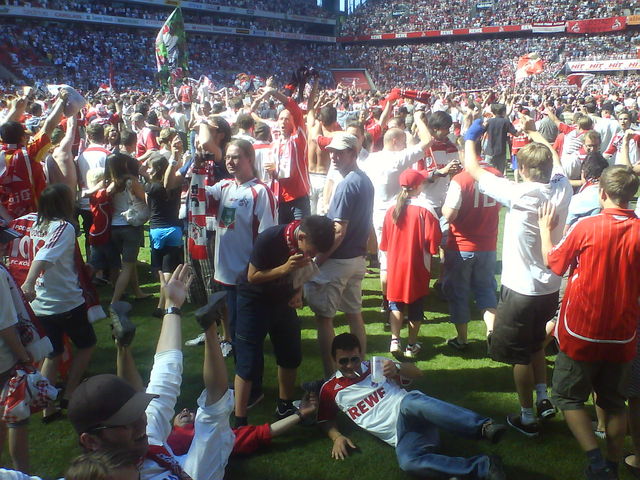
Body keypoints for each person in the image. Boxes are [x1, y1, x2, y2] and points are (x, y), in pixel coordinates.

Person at [68, 264, 235, 480]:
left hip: (146, 455)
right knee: (213, 415)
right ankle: (208, 327)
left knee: (164, 388)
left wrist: (172, 306)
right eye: (127, 421)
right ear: (90, 441)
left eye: (137, 412)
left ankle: (127, 343)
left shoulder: (136, 440)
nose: (141, 423)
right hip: (180, 467)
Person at [464, 118, 572, 437]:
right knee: (536, 342)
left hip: (521, 289)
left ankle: (526, 417)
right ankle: (543, 398)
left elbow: (473, 168)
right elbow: (558, 160)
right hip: (549, 286)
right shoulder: (562, 188)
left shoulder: (520, 193)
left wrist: (472, 136)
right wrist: (539, 135)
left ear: (523, 170)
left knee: (519, 355)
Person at [539, 165, 640, 480]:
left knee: (567, 396)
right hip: (622, 332)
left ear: (602, 193)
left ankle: (596, 461)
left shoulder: (586, 227)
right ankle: (611, 462)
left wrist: (545, 229)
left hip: (581, 329)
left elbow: (554, 263)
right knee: (614, 400)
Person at [317, 333, 507, 480]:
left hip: (411, 410)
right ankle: (485, 466)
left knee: (410, 402)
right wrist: (337, 436)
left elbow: (418, 373)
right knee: (408, 462)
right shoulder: (330, 389)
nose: (350, 366)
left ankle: (483, 427)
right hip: (402, 437)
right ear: (334, 359)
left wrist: (397, 368)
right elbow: (325, 419)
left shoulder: (377, 366)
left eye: (354, 359)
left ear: (361, 355)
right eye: (343, 361)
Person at [234, 215, 334, 426]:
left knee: (291, 354)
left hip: (282, 301)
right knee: (248, 362)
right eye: (312, 250)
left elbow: (301, 272)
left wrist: (297, 292)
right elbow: (253, 276)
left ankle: (284, 406)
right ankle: (240, 419)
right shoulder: (269, 238)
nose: (313, 255)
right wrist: (284, 269)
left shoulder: (305, 244)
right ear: (302, 236)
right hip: (254, 300)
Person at [17, 184, 97, 422]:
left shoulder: (34, 225)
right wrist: (29, 282)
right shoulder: (63, 227)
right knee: (87, 344)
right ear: (64, 203)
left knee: (53, 353)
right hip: (64, 300)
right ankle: (69, 393)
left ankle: (46, 406)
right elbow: (45, 255)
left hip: (40, 303)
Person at [305, 133, 374, 378]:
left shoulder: (348, 183)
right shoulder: (363, 180)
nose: (333, 156)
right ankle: (360, 370)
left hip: (339, 261)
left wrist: (318, 261)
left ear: (353, 154)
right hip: (356, 259)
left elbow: (339, 230)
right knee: (354, 315)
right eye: (332, 151)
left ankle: (330, 377)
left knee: (324, 319)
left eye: (340, 152)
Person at [206, 138, 277, 358]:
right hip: (225, 270)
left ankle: (245, 375)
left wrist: (256, 270)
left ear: (249, 158)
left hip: (246, 273)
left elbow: (269, 237)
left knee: (244, 327)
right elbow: (199, 195)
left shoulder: (260, 192)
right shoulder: (225, 186)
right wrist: (196, 167)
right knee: (232, 318)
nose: (230, 161)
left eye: (235, 157)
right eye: (227, 157)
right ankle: (234, 351)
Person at [441, 140, 502, 349]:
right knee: (485, 289)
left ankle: (462, 339)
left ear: (463, 152)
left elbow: (449, 214)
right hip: (488, 245)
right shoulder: (497, 174)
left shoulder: (461, 179)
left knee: (459, 292)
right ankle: (492, 331)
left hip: (462, 245)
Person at [379, 169, 441, 359]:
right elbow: (433, 241)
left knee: (395, 303)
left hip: (396, 264)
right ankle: (411, 345)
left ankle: (394, 340)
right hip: (417, 264)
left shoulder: (391, 209)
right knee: (416, 305)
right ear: (419, 185)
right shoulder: (426, 208)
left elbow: (385, 242)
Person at [252, 80, 311, 223]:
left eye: (287, 119)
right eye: (281, 119)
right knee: (283, 239)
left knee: (300, 237)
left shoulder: (298, 139)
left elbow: (295, 110)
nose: (283, 122)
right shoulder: (274, 144)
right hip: (280, 198)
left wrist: (273, 92)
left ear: (293, 123)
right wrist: (272, 171)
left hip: (299, 199)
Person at [484, 103, 517, 173]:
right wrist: (523, 128)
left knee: (488, 173)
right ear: (504, 112)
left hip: (490, 151)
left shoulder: (489, 121)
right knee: (500, 174)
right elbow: (516, 134)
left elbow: (481, 131)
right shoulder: (506, 122)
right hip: (501, 151)